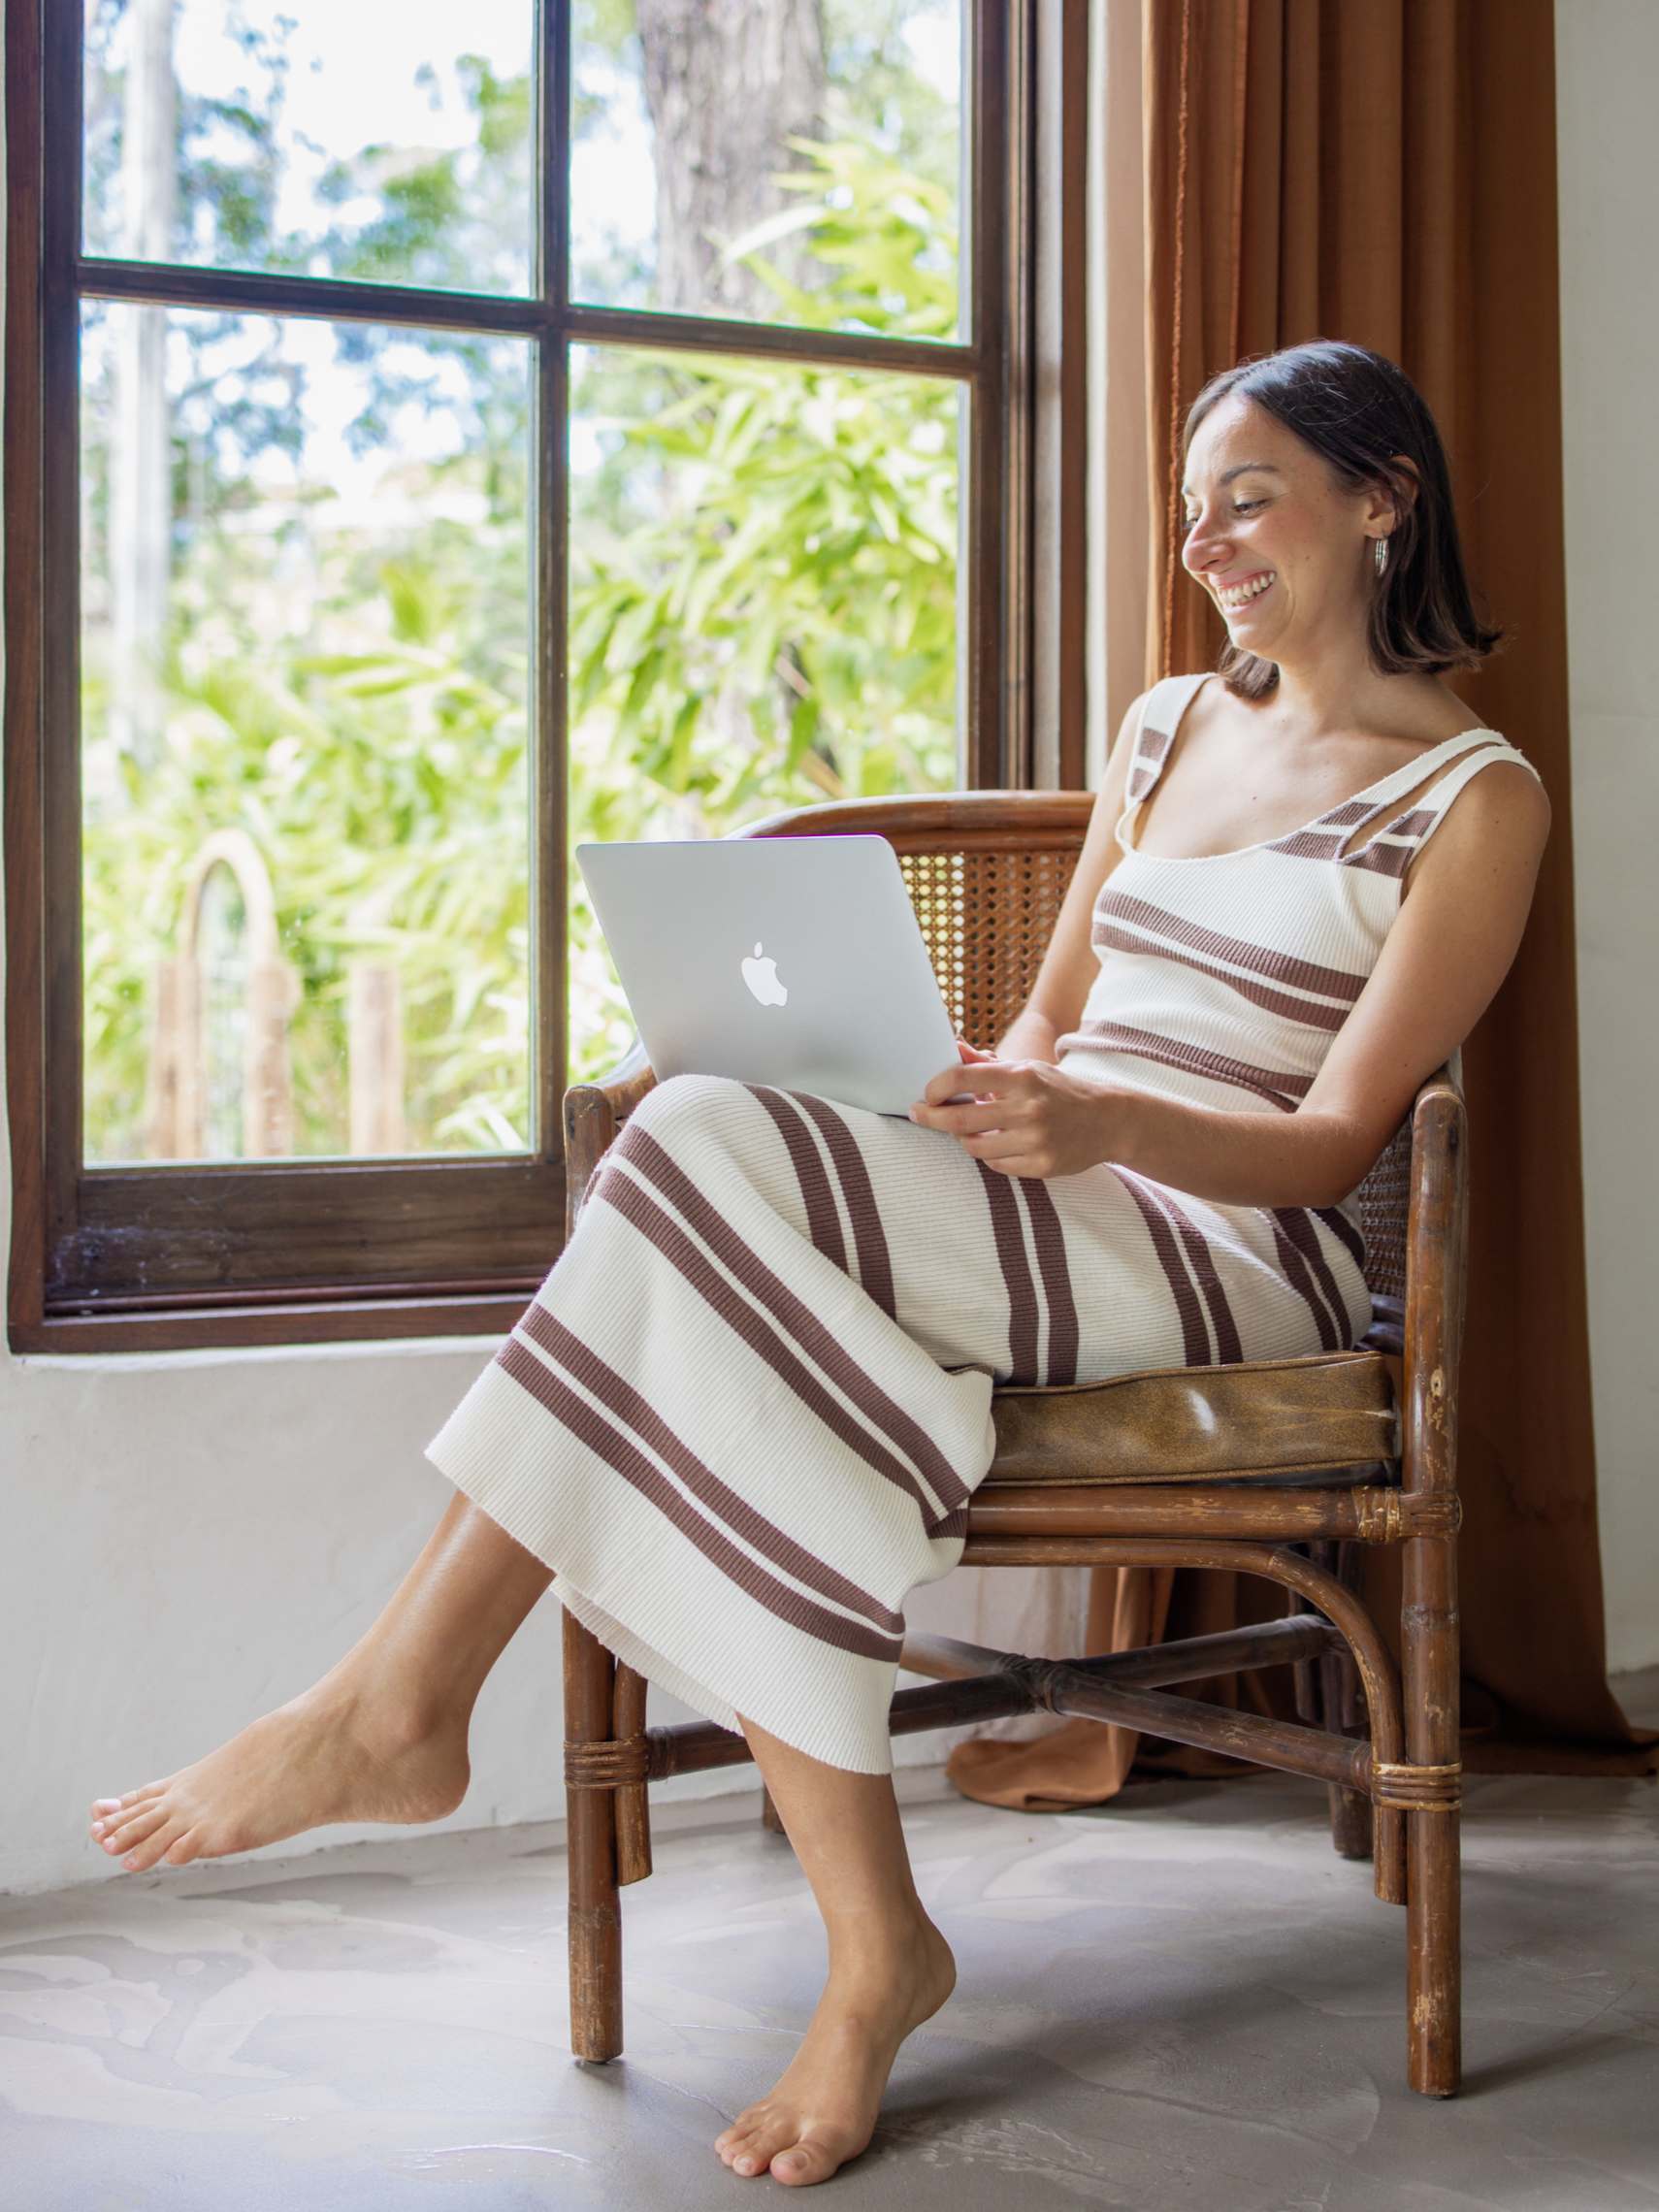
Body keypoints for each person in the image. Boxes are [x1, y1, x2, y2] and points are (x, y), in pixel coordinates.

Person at [89, 342, 1548, 2188]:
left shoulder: (1472, 800)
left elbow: (1338, 1143)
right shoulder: (1163, 729)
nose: (1204, 541)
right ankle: (866, 1946)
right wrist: (969, 1102)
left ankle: (405, 1712)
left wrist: (1100, 1132)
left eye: (1245, 497)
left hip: (1224, 1249)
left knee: (692, 1139)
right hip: (1057, 1199)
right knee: (731, 1204)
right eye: (1190, 508)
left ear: (1378, 499)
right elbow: (1046, 1025)